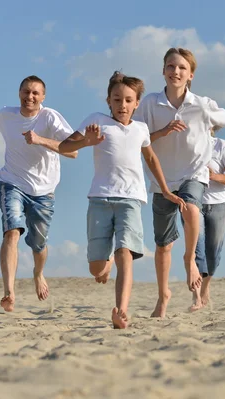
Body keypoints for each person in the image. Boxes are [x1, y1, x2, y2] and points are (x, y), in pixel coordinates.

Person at [134, 47, 225, 317]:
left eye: (181, 68)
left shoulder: (202, 104)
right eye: (170, 66)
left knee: (191, 208)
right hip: (161, 180)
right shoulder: (150, 104)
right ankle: (163, 295)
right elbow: (137, 138)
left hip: (194, 173)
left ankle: (190, 259)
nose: (175, 71)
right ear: (163, 70)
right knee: (163, 245)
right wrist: (163, 131)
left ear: (191, 75)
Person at [57, 71, 186, 328]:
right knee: (96, 268)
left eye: (128, 100)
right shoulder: (96, 120)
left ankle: (121, 311)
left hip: (131, 199)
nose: (122, 105)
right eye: (117, 100)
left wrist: (166, 189)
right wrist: (87, 141)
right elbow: (63, 147)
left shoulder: (141, 129)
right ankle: (104, 268)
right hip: (100, 199)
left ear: (137, 103)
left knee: (125, 252)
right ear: (108, 101)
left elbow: (150, 158)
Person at [0, 75, 78, 312]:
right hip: (12, 182)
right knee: (12, 231)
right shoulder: (7, 115)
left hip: (44, 191)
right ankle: (9, 292)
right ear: (19, 93)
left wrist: (41, 140)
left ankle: (38, 273)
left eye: (35, 93)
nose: (29, 97)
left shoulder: (50, 118)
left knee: (38, 244)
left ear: (43, 97)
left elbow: (73, 152)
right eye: (25, 92)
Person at [188, 126, 225, 311]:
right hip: (194, 204)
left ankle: (205, 288)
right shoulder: (187, 145)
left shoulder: (221, 146)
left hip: (219, 205)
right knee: (196, 250)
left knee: (213, 253)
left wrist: (214, 176)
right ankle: (197, 298)